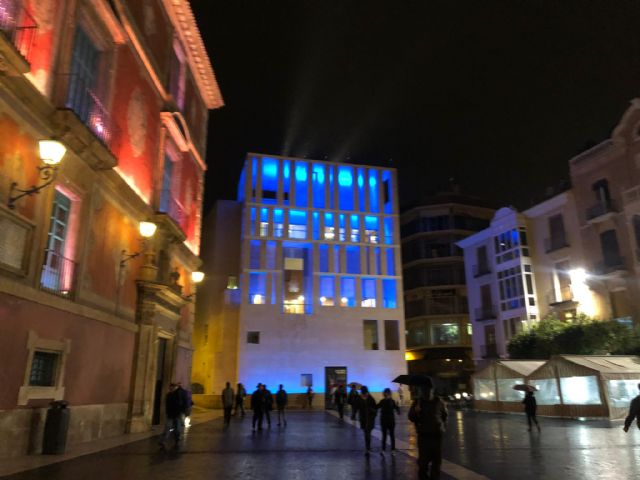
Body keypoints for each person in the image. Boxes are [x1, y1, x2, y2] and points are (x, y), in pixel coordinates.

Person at [409, 379, 448, 480]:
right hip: (424, 436)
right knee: (423, 463)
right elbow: (411, 417)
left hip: (437, 435)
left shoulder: (439, 401)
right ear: (422, 391)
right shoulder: (418, 402)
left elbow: (444, 416)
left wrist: (441, 426)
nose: (427, 392)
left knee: (437, 462)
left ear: (432, 390)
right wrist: (416, 411)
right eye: (424, 390)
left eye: (429, 389)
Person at [160, 383, 189, 450]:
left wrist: (184, 412)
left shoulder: (179, 394)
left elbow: (184, 403)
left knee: (177, 429)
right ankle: (163, 441)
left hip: (178, 414)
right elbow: (167, 405)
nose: (171, 389)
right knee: (167, 427)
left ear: (175, 388)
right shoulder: (168, 395)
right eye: (170, 388)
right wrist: (167, 413)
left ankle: (177, 440)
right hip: (170, 415)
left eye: (172, 387)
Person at [377, 387, 400, 455]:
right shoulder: (384, 401)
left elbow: (397, 408)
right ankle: (384, 450)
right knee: (384, 436)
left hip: (390, 421)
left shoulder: (391, 401)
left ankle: (392, 450)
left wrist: (398, 410)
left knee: (391, 435)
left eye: (388, 393)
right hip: (385, 420)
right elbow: (376, 407)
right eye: (386, 393)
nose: (387, 394)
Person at [357, 385, 377, 455]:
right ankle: (367, 448)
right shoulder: (359, 398)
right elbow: (356, 405)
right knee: (366, 434)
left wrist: (371, 411)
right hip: (363, 419)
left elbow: (375, 410)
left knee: (367, 433)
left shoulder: (371, 399)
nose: (362, 393)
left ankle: (368, 448)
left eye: (363, 392)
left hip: (370, 419)